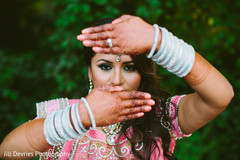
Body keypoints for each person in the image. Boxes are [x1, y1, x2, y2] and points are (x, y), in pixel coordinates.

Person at [0, 15, 234, 160]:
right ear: (90, 71)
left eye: (130, 67)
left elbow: (221, 96)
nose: (117, 79)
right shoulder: (63, 114)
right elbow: (7, 152)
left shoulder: (161, 117)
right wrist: (81, 117)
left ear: (142, 74)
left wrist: (160, 42)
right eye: (105, 66)